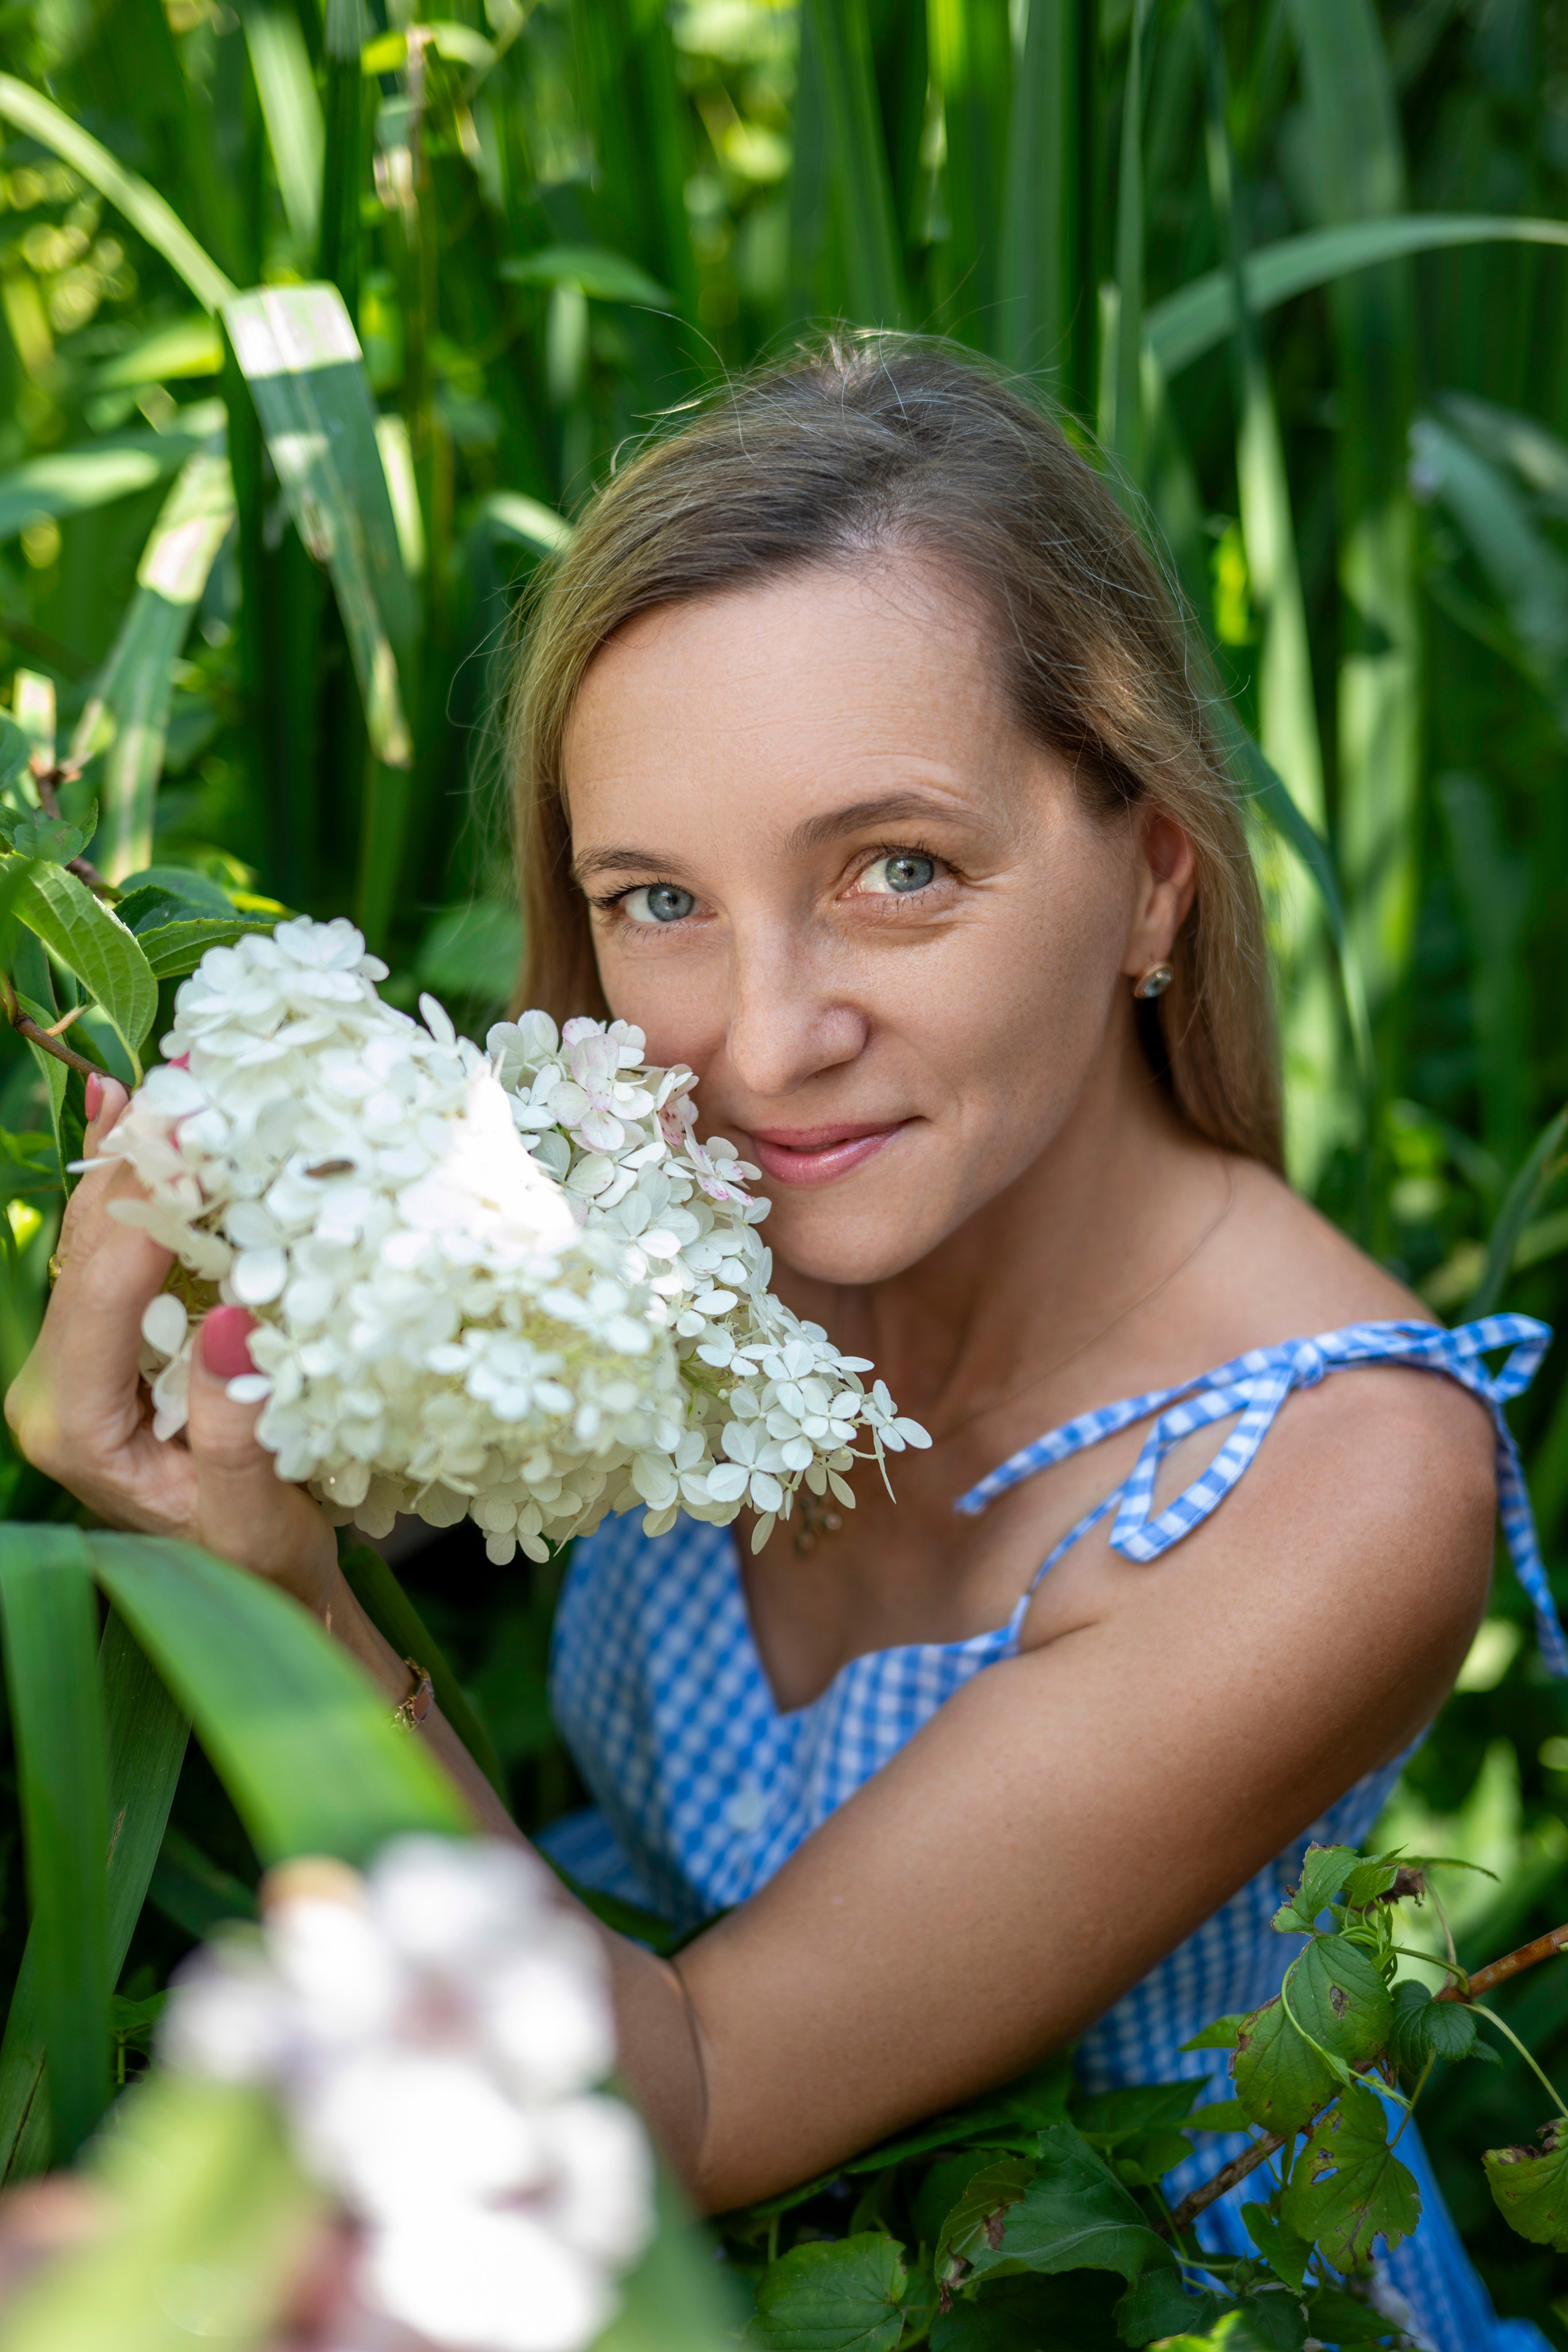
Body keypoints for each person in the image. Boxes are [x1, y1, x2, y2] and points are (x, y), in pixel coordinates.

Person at [9, 337, 1558, 2350]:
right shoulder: (675, 1185)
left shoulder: (1336, 1488)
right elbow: (376, 1477)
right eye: (657, 897)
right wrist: (263, 1264)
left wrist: (289, 1614)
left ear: (1156, 879)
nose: (759, 1038)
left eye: (897, 873)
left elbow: (701, 2099)